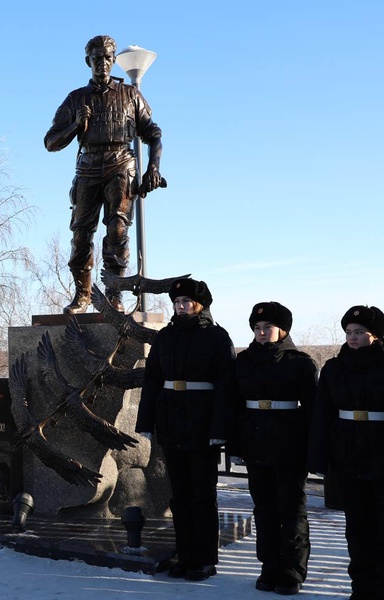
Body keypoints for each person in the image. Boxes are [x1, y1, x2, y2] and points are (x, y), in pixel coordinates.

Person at [44, 34, 163, 313]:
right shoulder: (75, 99)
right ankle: (83, 295)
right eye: (97, 59)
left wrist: (153, 168)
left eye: (108, 58)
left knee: (117, 229)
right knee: (81, 234)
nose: (103, 63)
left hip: (121, 164)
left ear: (113, 61)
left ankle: (114, 295)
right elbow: (51, 142)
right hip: (88, 166)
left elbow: (153, 132)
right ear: (89, 61)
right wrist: (75, 125)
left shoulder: (130, 95)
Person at [135, 278, 235, 581]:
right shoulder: (165, 337)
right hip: (171, 422)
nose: (180, 307)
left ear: (200, 304)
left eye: (186, 302)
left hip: (203, 425)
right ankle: (185, 554)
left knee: (201, 495)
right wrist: (146, 422)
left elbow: (226, 386)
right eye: (177, 302)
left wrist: (220, 428)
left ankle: (204, 559)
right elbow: (152, 379)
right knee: (178, 496)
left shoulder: (217, 337)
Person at [231, 302, 316, 595]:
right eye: (257, 328)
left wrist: (312, 449)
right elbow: (235, 406)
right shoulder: (242, 362)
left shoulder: (300, 362)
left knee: (291, 509)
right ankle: (269, 566)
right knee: (264, 509)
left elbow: (312, 411)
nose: (262, 332)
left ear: (283, 329)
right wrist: (235, 444)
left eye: (268, 327)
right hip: (255, 443)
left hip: (290, 444)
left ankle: (292, 570)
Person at [309, 305, 384, 599]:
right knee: (357, 527)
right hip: (348, 452)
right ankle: (362, 589)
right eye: (349, 332)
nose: (352, 338)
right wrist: (319, 457)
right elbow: (322, 414)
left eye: (359, 333)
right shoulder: (334, 368)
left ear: (375, 336)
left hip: (380, 451)